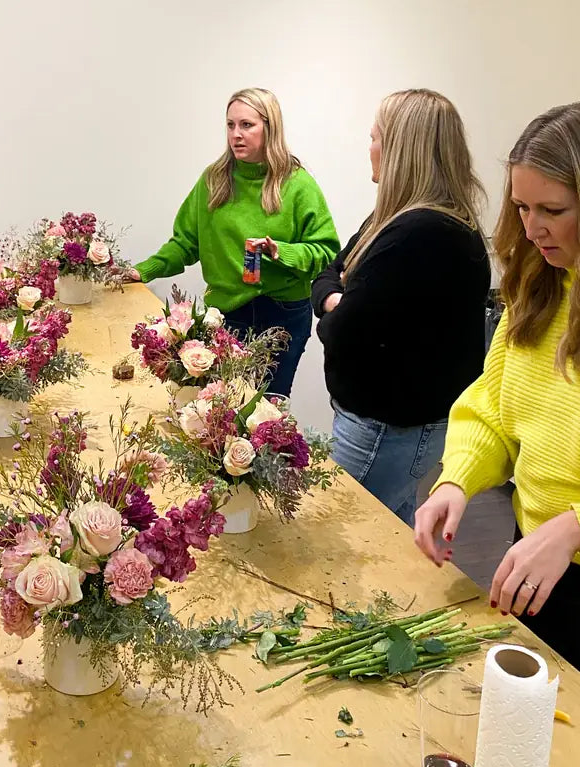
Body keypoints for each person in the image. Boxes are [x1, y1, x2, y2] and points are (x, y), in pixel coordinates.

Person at [414, 102, 580, 730]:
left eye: (553, 211)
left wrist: (578, 528)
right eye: (522, 208)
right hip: (536, 565)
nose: (532, 229)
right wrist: (457, 478)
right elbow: (491, 409)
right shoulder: (540, 289)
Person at [311, 89, 491, 526]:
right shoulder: (396, 220)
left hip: (386, 429)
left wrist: (337, 300)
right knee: (389, 529)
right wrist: (338, 296)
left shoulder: (420, 232)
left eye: (375, 137)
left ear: (399, 150)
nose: (368, 148)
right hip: (390, 425)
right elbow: (325, 276)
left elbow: (339, 330)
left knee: (343, 539)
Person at [127, 87, 339, 397]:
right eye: (230, 125)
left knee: (266, 411)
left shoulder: (298, 185)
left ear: (270, 127)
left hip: (282, 314)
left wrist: (283, 252)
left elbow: (326, 252)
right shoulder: (214, 180)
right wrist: (146, 270)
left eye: (247, 125)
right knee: (221, 409)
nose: (236, 134)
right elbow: (185, 243)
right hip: (225, 315)